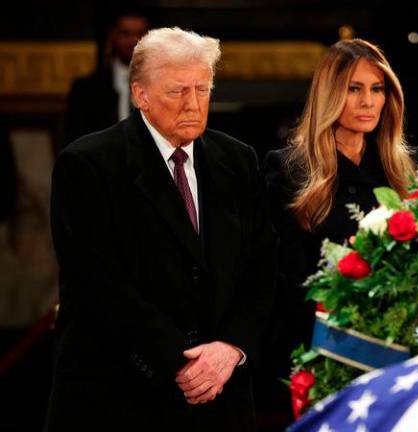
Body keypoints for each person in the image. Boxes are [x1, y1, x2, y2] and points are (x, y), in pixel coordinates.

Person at [46, 27, 276, 431]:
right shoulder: (87, 165)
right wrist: (181, 361)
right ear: (141, 95)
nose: (192, 104)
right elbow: (98, 285)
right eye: (177, 91)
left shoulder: (238, 160)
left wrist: (230, 349)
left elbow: (262, 267)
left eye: (202, 90)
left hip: (221, 399)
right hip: (120, 399)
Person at [261, 38, 418, 429]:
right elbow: (285, 279)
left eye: (377, 89)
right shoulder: (289, 170)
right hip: (319, 353)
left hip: (400, 351)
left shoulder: (408, 168)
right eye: (354, 89)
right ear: (330, 93)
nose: (368, 102)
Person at [63, 6, 150, 146]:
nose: (133, 41)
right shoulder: (85, 89)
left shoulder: (160, 86)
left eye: (139, 34)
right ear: (112, 35)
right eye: (125, 34)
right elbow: (74, 143)